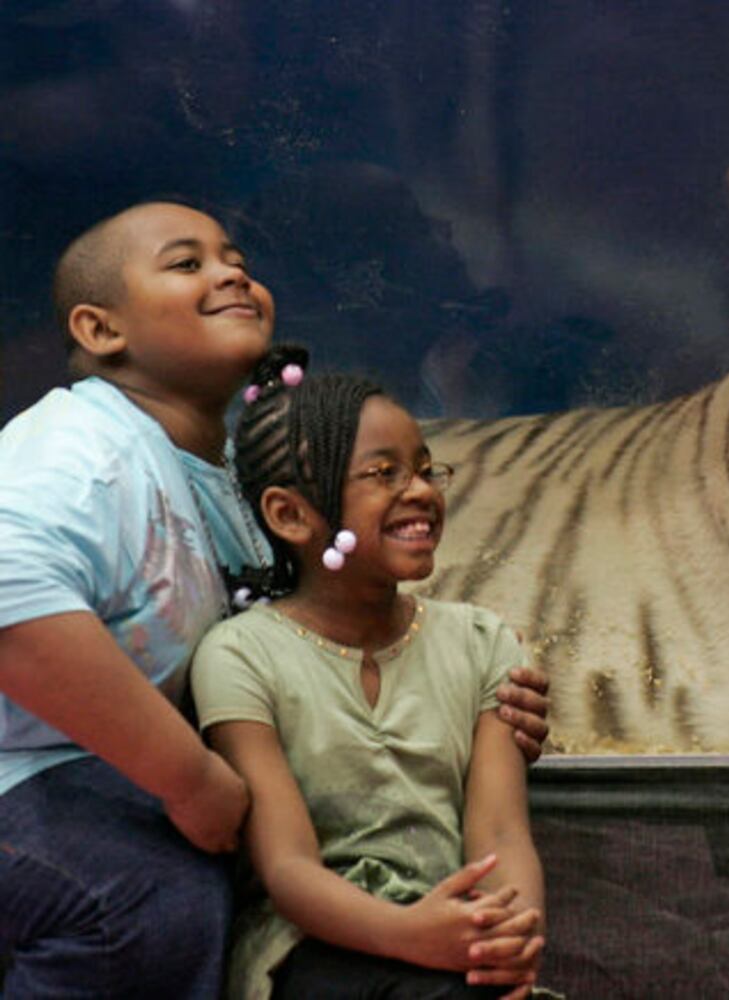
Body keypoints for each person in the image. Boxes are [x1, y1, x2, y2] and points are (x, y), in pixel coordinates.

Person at [0, 201, 550, 998]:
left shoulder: (218, 472)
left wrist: (465, 698)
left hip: (93, 775)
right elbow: (9, 598)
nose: (230, 273)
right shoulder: (80, 454)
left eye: (236, 261)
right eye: (186, 264)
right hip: (24, 775)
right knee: (141, 903)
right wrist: (190, 778)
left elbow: (314, 627)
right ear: (100, 330)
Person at [190, 349, 548, 999]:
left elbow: (499, 832)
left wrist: (506, 935)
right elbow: (288, 866)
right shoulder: (241, 656)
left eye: (423, 469)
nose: (420, 491)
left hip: (456, 937)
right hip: (310, 946)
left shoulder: (481, 642)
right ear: (291, 515)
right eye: (382, 474)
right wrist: (411, 933)